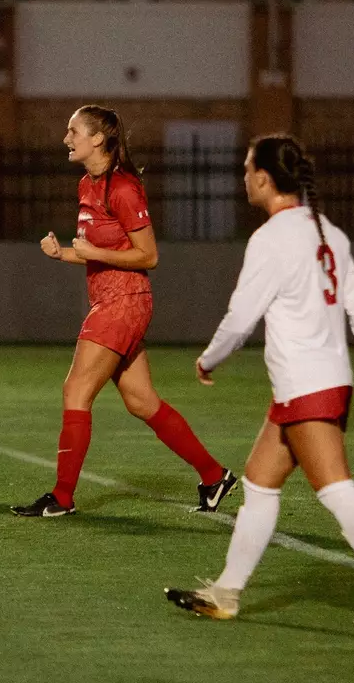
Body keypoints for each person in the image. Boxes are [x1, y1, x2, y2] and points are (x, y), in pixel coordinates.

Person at [165, 134, 354, 626]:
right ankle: (226, 592)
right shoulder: (329, 232)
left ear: (264, 178)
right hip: (318, 382)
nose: (243, 176)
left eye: (246, 168)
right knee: (260, 484)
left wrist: (209, 358)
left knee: (336, 490)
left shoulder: (270, 239)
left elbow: (241, 319)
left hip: (307, 385)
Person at [12, 105, 237, 518]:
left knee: (75, 391)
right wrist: (63, 254)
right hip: (112, 300)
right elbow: (99, 253)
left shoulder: (124, 188)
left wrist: (92, 251)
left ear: (98, 139)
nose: (66, 138)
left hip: (124, 301)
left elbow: (148, 256)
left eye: (73, 130)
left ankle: (62, 498)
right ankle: (213, 474)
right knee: (141, 401)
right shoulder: (86, 184)